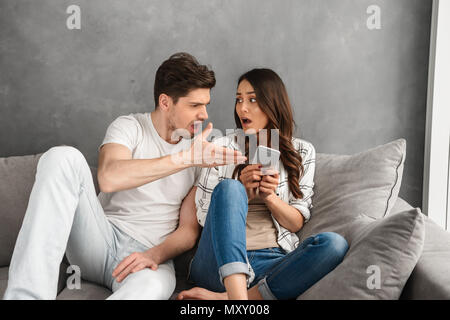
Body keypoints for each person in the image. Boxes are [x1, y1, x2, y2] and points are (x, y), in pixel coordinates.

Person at [3, 52, 245, 300]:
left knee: (151, 289)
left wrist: (154, 255)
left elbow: (188, 231)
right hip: (99, 239)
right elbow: (109, 178)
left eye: (205, 105)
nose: (204, 115)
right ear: (165, 102)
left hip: (148, 255)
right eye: (194, 105)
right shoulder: (130, 127)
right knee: (62, 157)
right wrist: (184, 159)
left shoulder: (200, 154)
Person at [177, 68, 349, 300]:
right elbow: (205, 217)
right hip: (216, 263)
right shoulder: (222, 146)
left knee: (334, 244)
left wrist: (270, 198)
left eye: (252, 99)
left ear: (272, 103)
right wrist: (243, 191)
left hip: (271, 261)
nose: (242, 108)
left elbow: (296, 221)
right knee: (230, 188)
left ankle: (227, 299)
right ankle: (239, 302)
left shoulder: (302, 151)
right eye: (239, 99)